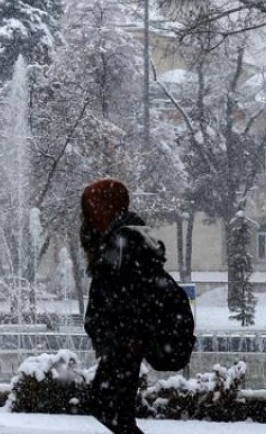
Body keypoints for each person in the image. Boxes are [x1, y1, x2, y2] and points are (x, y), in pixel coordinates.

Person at [80, 178, 164, 434]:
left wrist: (123, 335)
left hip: (124, 340)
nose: (87, 217)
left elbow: (127, 292)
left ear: (107, 207)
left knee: (107, 406)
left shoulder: (124, 240)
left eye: (92, 208)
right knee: (115, 410)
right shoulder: (123, 237)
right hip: (122, 339)